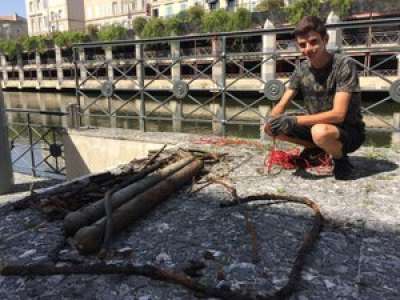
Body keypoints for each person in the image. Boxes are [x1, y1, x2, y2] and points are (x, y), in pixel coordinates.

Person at [264, 16, 365, 180]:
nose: (308, 49)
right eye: (302, 45)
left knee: (320, 132)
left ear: (325, 39)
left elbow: (338, 115)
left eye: (313, 42)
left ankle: (340, 159)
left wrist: (294, 120)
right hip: (315, 127)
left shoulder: (343, 65)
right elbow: (282, 104)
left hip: (347, 131)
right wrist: (273, 119)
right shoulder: (301, 69)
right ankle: (317, 149)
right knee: (271, 128)